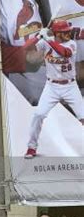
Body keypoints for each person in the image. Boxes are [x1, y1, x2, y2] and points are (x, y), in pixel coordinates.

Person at [23, 20, 84, 158]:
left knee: (83, 117)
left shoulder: (71, 44)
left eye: (68, 31)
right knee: (38, 114)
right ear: (57, 33)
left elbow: (65, 53)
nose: (68, 34)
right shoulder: (45, 42)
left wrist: (48, 39)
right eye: (64, 32)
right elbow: (25, 48)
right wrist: (38, 36)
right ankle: (31, 147)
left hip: (70, 86)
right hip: (51, 86)